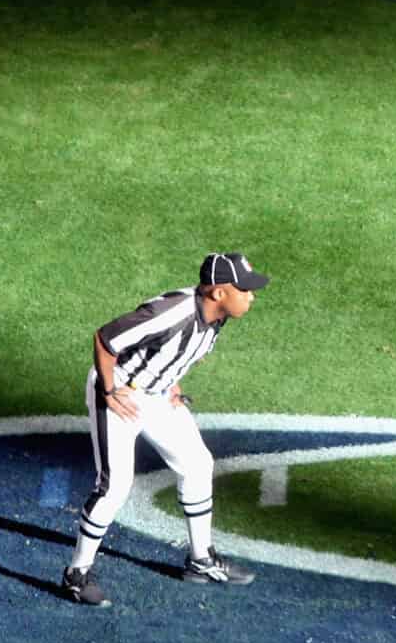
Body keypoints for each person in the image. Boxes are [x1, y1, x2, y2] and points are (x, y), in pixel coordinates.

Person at [61, 252, 265, 606]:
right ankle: (77, 574)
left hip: (157, 395)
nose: (251, 296)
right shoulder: (171, 314)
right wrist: (109, 391)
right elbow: (106, 340)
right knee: (115, 486)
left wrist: (171, 382)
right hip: (122, 394)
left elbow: (180, 352)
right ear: (218, 293)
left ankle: (200, 560)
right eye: (243, 289)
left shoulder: (217, 315)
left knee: (198, 465)